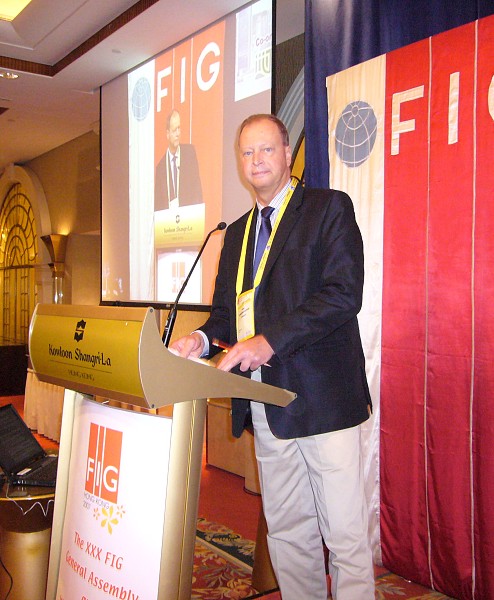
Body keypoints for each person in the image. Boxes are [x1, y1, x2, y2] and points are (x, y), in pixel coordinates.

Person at [170, 114, 374, 599]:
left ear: (287, 154)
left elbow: (343, 294)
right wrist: (199, 340)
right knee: (286, 531)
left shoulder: (328, 208)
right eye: (247, 152)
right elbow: (227, 316)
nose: (256, 160)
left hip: (323, 399)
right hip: (262, 400)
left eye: (266, 149)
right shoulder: (237, 233)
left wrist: (269, 341)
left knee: (344, 536)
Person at [154, 109, 203, 210]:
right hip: (169, 219)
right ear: (167, 134)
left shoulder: (189, 154)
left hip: (189, 217)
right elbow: (158, 206)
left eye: (179, 128)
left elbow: (197, 191)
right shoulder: (160, 168)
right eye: (174, 130)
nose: (177, 133)